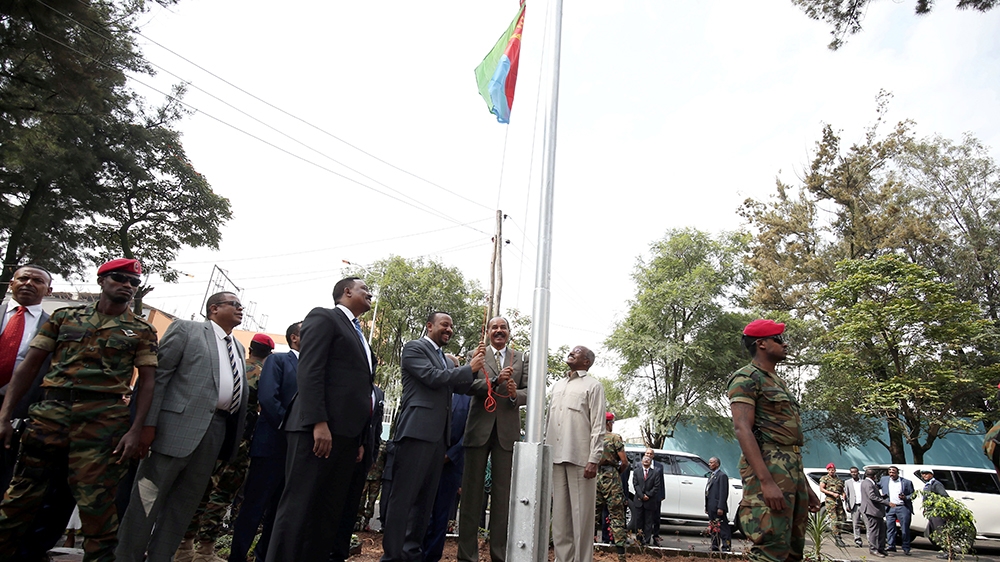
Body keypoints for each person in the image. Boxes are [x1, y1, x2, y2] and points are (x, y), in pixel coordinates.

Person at [0, 258, 158, 562]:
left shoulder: (141, 330)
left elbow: (148, 382)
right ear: (101, 281)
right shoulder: (64, 317)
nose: (127, 285)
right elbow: (29, 367)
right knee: (19, 499)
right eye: (120, 279)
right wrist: (5, 415)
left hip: (102, 424)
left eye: (133, 282)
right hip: (50, 416)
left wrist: (135, 429)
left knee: (97, 509)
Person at [115, 291, 250, 562]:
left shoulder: (236, 347)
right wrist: (148, 425)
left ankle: (160, 557)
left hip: (214, 433)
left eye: (241, 306)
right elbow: (158, 377)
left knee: (183, 507)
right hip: (171, 429)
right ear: (213, 309)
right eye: (234, 304)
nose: (241, 309)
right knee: (146, 502)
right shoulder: (187, 330)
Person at [265, 278, 376, 561]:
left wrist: (360, 439)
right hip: (317, 431)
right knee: (299, 507)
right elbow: (310, 370)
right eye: (364, 288)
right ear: (347, 292)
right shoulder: (324, 317)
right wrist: (318, 422)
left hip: (347, 437)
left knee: (326, 512)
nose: (369, 293)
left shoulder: (360, 334)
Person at [380, 311, 484, 562]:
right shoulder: (414, 348)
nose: (449, 329)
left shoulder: (447, 361)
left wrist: (486, 374)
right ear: (429, 326)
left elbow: (461, 386)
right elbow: (432, 378)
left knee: (424, 502)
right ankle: (393, 556)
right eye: (444, 325)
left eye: (451, 326)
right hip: (416, 432)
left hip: (439, 438)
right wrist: (468, 368)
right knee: (404, 498)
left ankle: (412, 554)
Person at [175, 332, 273, 562]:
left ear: (250, 349)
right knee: (222, 494)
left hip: (212, 434)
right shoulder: (264, 373)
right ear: (268, 354)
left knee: (199, 489)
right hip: (241, 441)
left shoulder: (233, 366)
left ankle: (183, 547)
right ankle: (205, 551)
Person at [729, 319, 821, 562]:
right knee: (770, 549)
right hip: (769, 469)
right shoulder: (746, 378)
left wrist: (806, 487)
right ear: (761, 344)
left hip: (791, 471)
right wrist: (766, 481)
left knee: (792, 550)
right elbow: (742, 429)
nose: (785, 344)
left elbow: (789, 444)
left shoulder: (778, 381)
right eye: (778, 339)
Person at [229, 323, 301, 562]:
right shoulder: (278, 361)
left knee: (280, 512)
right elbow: (268, 398)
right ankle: (238, 556)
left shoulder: (316, 367)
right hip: (272, 444)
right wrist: (289, 428)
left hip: (297, 452)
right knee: (254, 507)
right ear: (294, 338)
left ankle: (264, 556)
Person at [458, 316, 527, 562]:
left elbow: (529, 391)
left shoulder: (520, 358)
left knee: (502, 498)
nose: (499, 331)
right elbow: (466, 385)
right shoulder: (477, 354)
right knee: (471, 497)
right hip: (478, 429)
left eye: (503, 327)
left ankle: (499, 555)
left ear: (509, 332)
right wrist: (494, 382)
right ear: (487, 332)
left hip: (507, 434)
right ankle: (467, 556)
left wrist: (514, 394)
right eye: (494, 327)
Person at [545, 345, 605, 562]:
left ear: (587, 361)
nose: (571, 352)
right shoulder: (558, 385)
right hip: (556, 458)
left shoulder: (593, 386)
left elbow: (599, 425)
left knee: (582, 519)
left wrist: (594, 459)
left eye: (577, 352)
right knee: (560, 519)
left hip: (581, 460)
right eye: (571, 350)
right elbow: (548, 423)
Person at [331, 384, 386, 562]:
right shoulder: (351, 386)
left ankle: (340, 552)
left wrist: (373, 455)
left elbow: (376, 428)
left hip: (365, 459)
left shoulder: (378, 393)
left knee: (351, 507)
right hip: (343, 452)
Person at [423, 386, 471, 562]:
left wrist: (450, 455)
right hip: (426, 460)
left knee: (442, 514)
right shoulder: (431, 391)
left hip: (451, 465)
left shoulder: (467, 398)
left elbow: (469, 431)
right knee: (421, 511)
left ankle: (432, 556)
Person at [594, 412, 627, 562]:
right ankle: (621, 556)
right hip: (611, 479)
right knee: (616, 516)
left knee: (591, 516)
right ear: (608, 423)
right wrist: (617, 473)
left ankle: (585, 552)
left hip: (595, 477)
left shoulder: (593, 436)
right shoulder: (615, 438)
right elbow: (624, 461)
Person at [879, 465, 914, 555]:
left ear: (897, 473)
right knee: (890, 528)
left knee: (905, 528)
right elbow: (876, 486)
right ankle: (891, 545)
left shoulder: (906, 482)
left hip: (902, 507)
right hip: (890, 507)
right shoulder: (884, 480)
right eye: (890, 472)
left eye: (893, 472)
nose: (891, 474)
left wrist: (905, 497)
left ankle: (906, 547)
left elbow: (913, 494)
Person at [631, 448, 662, 546]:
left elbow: (657, 486)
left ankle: (647, 541)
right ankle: (639, 540)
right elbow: (635, 484)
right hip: (639, 500)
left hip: (650, 501)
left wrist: (648, 495)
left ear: (650, 462)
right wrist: (641, 495)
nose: (646, 461)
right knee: (639, 521)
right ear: (642, 462)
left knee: (648, 522)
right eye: (644, 460)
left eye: (648, 461)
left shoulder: (655, 472)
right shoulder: (637, 471)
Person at [861, 467, 892, 557]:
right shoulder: (868, 483)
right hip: (871, 510)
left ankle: (881, 548)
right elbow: (872, 496)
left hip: (876, 511)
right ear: (874, 476)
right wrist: (887, 503)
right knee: (874, 531)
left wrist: (882, 496)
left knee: (882, 530)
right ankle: (873, 549)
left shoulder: (869, 483)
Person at [705, 456, 731, 552]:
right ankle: (714, 546)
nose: (709, 464)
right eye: (709, 462)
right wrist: (706, 506)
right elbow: (708, 492)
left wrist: (721, 507)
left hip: (718, 507)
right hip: (711, 507)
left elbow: (723, 493)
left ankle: (726, 546)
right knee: (713, 528)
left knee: (723, 528)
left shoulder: (722, 476)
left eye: (711, 462)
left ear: (717, 464)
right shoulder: (711, 475)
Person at [819, 462, 848, 547]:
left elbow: (841, 489)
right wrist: (832, 493)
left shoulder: (838, 479)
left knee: (841, 518)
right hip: (830, 501)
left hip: (838, 501)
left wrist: (843, 494)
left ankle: (839, 535)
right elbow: (822, 489)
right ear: (827, 470)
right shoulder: (825, 478)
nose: (831, 471)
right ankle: (837, 537)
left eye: (833, 470)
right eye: (830, 470)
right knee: (834, 519)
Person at [920, 469, 949, 549]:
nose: (924, 475)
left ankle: (948, 551)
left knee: (940, 531)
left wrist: (937, 506)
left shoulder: (936, 484)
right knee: (933, 531)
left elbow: (944, 496)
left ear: (932, 475)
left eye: (926, 473)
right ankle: (943, 549)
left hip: (937, 512)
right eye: (923, 474)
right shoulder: (928, 484)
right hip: (930, 511)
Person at [843, 466, 865, 547]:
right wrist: (847, 505)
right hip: (854, 505)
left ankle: (871, 541)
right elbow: (847, 495)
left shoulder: (863, 482)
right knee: (855, 524)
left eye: (855, 472)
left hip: (863, 505)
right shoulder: (847, 482)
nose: (854, 473)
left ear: (858, 472)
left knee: (867, 523)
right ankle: (858, 540)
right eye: (852, 472)